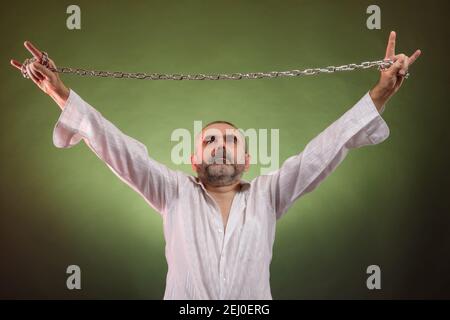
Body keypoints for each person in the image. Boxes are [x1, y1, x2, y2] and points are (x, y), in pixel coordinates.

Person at [10, 31, 421, 299]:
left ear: (246, 158)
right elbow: (116, 146)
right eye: (210, 140)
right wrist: (62, 95)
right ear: (193, 159)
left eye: (230, 141)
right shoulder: (172, 192)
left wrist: (380, 96)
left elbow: (326, 147)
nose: (221, 146)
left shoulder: (269, 195)